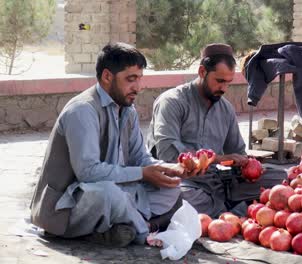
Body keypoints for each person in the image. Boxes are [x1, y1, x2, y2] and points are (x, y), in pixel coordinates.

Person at [30, 42, 192, 247]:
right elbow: (88, 172)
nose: (138, 87)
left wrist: (167, 169)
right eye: (131, 79)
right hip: (67, 206)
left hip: (117, 190)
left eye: (140, 79)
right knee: (108, 194)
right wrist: (143, 173)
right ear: (107, 77)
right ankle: (142, 231)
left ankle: (117, 226)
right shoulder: (82, 111)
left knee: (171, 188)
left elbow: (139, 158)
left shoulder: (127, 109)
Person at [146, 43, 286, 218]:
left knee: (281, 178)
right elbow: (167, 154)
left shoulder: (225, 108)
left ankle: (225, 209)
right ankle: (233, 210)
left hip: (220, 181)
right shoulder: (172, 102)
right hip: (185, 181)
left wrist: (247, 166)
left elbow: (236, 151)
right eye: (219, 81)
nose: (224, 89)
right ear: (202, 72)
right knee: (180, 198)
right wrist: (218, 159)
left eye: (228, 82)